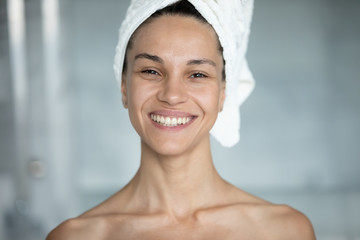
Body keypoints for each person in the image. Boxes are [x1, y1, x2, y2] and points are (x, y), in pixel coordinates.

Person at [47, 0, 316, 239]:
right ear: (124, 87)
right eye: (151, 70)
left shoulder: (284, 231)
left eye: (197, 74)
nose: (172, 95)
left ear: (223, 93)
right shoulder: (76, 236)